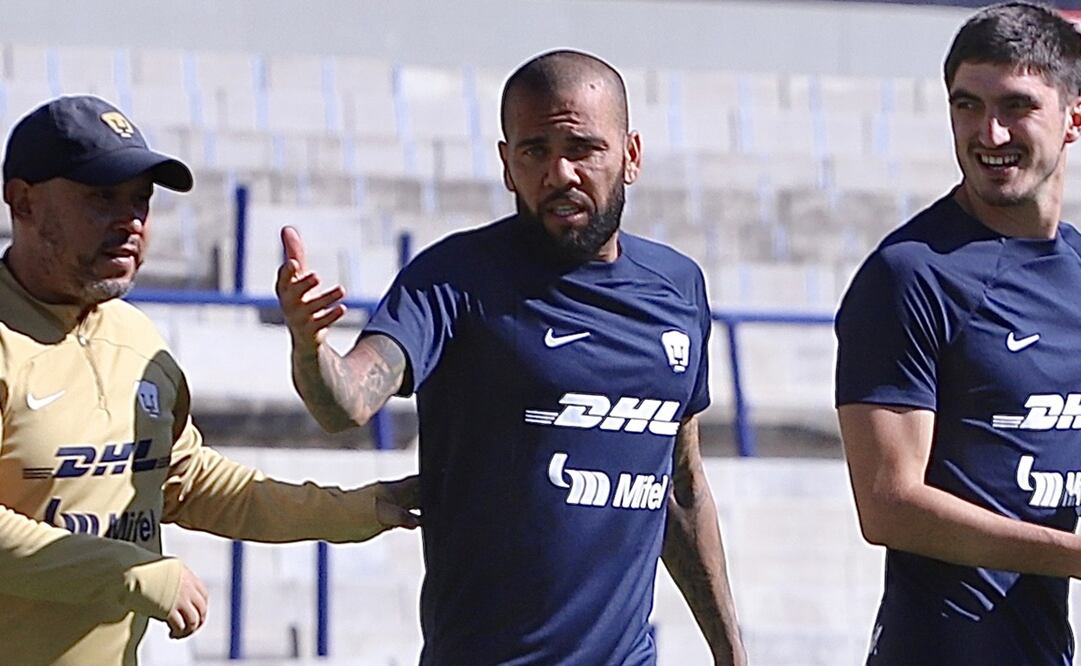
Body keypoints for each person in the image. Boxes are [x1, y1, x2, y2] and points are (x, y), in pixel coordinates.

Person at [277, 50, 745, 664]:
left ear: (631, 155)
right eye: (535, 151)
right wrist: (311, 349)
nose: (560, 173)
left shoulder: (677, 288)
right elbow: (348, 402)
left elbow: (680, 489)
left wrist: (732, 654)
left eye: (582, 148)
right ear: (506, 163)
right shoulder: (454, 280)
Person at [0, 94, 422, 666]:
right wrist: (123, 571)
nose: (130, 223)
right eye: (101, 198)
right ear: (22, 202)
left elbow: (191, 483)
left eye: (141, 202)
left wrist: (358, 510)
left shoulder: (138, 341)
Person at [835, 3, 1081, 664]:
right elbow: (888, 505)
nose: (988, 131)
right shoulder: (909, 273)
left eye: (1016, 106)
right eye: (966, 105)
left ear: (1072, 118)